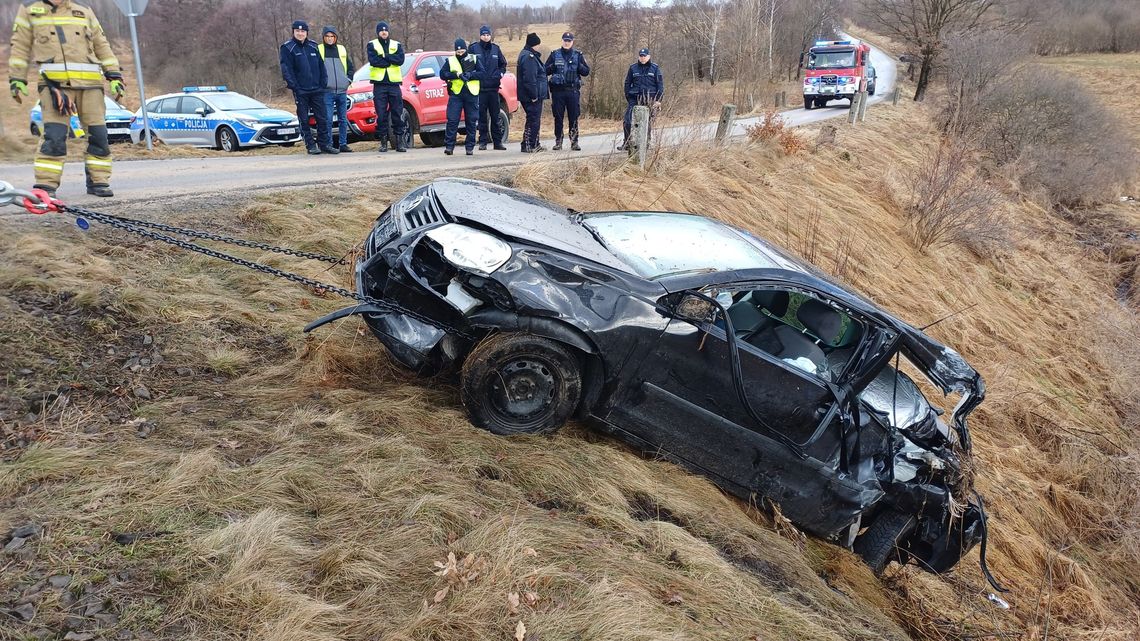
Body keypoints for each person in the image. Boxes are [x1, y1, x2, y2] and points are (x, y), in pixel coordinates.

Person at [8, 0, 125, 197]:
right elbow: (20, 46)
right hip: (55, 87)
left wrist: (114, 75)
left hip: (91, 85)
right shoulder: (29, 10)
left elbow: (101, 44)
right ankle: (46, 185)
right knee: (54, 136)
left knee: (99, 135)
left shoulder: (84, 10)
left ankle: (99, 182)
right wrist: (17, 78)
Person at [280, 20, 336, 155]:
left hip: (317, 89)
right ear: (293, 31)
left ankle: (324, 144)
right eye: (298, 31)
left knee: (322, 118)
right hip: (301, 90)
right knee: (304, 119)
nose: (300, 33)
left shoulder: (313, 46)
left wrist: (323, 83)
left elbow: (321, 66)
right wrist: (295, 87)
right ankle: (310, 144)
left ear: (306, 33)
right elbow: (286, 69)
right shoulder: (287, 48)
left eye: (303, 31)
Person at [544, 31, 589, 151]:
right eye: (565, 40)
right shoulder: (554, 54)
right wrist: (552, 67)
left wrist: (579, 66)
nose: (567, 43)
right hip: (558, 92)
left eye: (569, 41)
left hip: (572, 91)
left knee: (573, 117)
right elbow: (545, 70)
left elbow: (586, 71)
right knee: (558, 118)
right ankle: (558, 142)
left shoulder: (578, 55)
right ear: (562, 41)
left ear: (572, 42)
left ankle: (574, 142)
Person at [367, 21, 406, 153]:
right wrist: (390, 60)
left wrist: (385, 56)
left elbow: (400, 60)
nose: (384, 32)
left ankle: (399, 142)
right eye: (381, 30)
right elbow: (374, 61)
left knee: (397, 112)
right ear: (378, 32)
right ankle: (383, 143)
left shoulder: (397, 44)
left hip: (394, 84)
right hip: (379, 84)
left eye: (385, 30)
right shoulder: (372, 44)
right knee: (381, 114)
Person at [439, 39, 481, 156]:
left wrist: (470, 75)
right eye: (458, 52)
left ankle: (470, 147)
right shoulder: (451, 60)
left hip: (471, 93)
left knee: (471, 121)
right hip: (456, 94)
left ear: (466, 50)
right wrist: (456, 75)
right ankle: (449, 146)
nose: (460, 53)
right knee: (452, 120)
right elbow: (442, 74)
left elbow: (482, 73)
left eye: (462, 51)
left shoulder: (474, 59)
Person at [470, 25, 507, 151]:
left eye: (487, 35)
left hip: (493, 89)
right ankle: (482, 142)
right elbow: (469, 66)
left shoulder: (496, 49)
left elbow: (503, 64)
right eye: (483, 35)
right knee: (482, 118)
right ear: (480, 35)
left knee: (495, 116)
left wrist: (500, 74)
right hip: (480, 89)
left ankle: (498, 142)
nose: (486, 37)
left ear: (490, 36)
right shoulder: (474, 48)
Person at [620, 47, 664, 151]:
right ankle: (627, 143)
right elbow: (627, 83)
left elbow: (660, 85)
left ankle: (646, 143)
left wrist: (658, 100)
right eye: (641, 56)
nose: (643, 58)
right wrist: (628, 96)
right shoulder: (633, 68)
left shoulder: (655, 68)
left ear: (649, 56)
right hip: (634, 98)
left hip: (649, 100)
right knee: (627, 121)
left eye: (644, 56)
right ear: (639, 57)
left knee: (646, 122)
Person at [319, 26, 355, 153]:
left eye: (332, 36)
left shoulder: (341, 49)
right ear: (323, 37)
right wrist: (321, 84)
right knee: (328, 119)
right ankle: (328, 144)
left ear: (335, 37)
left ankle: (343, 144)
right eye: (327, 36)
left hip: (342, 90)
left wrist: (348, 80)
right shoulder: (319, 49)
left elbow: (350, 66)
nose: (330, 39)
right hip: (327, 91)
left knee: (343, 119)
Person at [516, 32, 547, 153]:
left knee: (533, 119)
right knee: (533, 119)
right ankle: (529, 145)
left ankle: (533, 143)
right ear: (534, 44)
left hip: (530, 94)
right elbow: (530, 78)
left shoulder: (527, 55)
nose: (539, 47)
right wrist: (534, 95)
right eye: (538, 44)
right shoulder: (529, 57)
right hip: (531, 96)